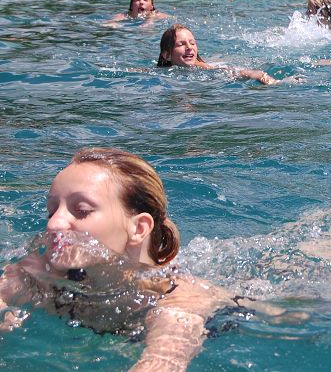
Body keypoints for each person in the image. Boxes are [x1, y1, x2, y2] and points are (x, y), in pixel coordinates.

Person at [0, 148, 301, 369]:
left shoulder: (176, 304)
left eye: (81, 211)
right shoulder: (41, 279)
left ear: (139, 228)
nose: (54, 224)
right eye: (52, 210)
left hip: (267, 311)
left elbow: (161, 363)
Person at [157, 24, 278, 84]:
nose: (189, 47)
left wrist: (257, 75)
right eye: (181, 44)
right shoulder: (159, 73)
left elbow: (232, 72)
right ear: (167, 55)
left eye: (192, 43)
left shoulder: (204, 69)